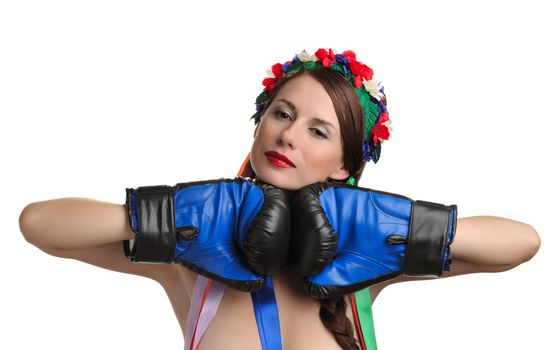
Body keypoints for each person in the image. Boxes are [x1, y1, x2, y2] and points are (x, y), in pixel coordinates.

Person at [18, 48, 541, 350]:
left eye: (319, 130)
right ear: (260, 122)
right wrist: (184, 217)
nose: (288, 136)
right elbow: (39, 225)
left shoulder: (363, 266)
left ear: (344, 164)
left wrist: (375, 224)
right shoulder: (194, 258)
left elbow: (521, 244)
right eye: (283, 114)